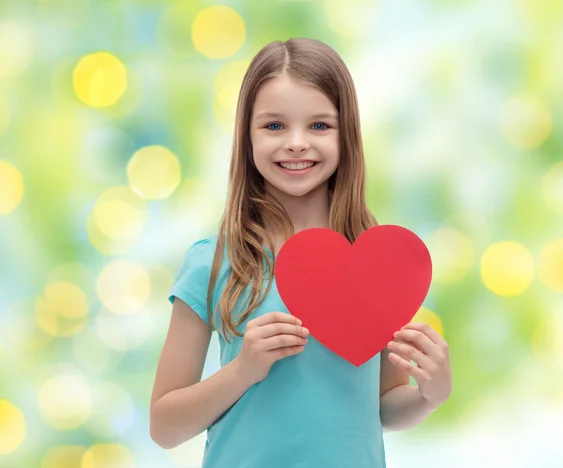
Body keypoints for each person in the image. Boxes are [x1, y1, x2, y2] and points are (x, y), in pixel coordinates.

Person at [150, 37, 452, 467]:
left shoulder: (379, 264)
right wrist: (243, 370)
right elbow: (164, 428)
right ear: (246, 134)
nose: (295, 143)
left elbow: (381, 408)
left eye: (319, 125)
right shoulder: (214, 262)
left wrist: (429, 396)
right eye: (274, 126)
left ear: (346, 134)